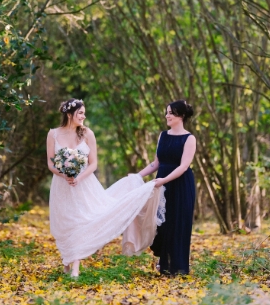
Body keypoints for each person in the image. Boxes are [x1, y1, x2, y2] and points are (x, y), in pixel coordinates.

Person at [47, 98, 165, 278]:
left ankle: (76, 267)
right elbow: (50, 162)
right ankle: (67, 259)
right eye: (80, 113)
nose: (84, 116)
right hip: (62, 185)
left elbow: (93, 164)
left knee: (81, 220)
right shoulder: (53, 134)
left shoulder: (87, 134)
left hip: (84, 184)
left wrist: (78, 177)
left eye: (84, 113)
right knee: (65, 221)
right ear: (69, 114)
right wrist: (64, 174)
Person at [137, 100, 196, 275]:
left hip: (181, 185)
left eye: (171, 112)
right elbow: (155, 164)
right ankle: (164, 263)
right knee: (161, 224)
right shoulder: (163, 136)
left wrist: (163, 180)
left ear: (181, 116)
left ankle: (177, 267)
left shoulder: (189, 138)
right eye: (167, 112)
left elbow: (183, 166)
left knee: (178, 223)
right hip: (161, 185)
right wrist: (137, 176)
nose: (167, 115)